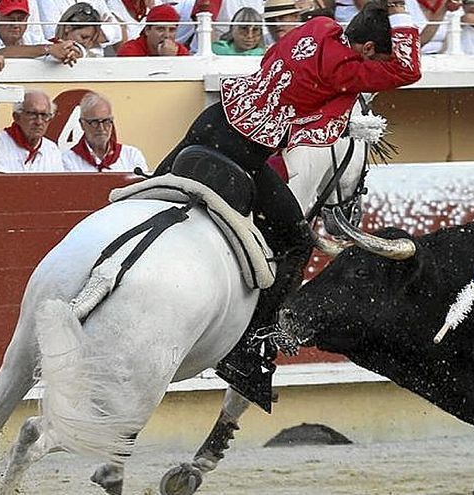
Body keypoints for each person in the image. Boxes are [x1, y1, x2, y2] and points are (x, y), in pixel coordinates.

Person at [152, 0, 421, 404]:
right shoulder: (346, 70)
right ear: (367, 51)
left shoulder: (319, 25)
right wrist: (400, 12)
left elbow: (299, 85)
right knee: (297, 243)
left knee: (151, 196)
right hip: (243, 153)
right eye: (376, 57)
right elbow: (408, 68)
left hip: (210, 121)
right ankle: (250, 350)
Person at [0, 0, 81, 65]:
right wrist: (49, 49)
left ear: (27, 20)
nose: (15, 24)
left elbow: (61, 49)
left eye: (20, 19)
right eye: (10, 18)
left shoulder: (32, 38)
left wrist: (69, 52)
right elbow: (1, 52)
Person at [62, 92, 148, 172]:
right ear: (82, 124)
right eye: (94, 122)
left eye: (106, 121)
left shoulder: (131, 156)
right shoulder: (68, 160)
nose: (101, 128)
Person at [0, 89, 64, 172]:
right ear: (17, 117)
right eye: (32, 114)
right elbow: (0, 182)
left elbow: (58, 184)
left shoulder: (52, 149)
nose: (39, 122)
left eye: (44, 115)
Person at [38, 0, 123, 51]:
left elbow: (117, 33)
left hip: (95, 61)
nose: (88, 43)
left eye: (91, 38)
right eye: (84, 37)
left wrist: (89, 32)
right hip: (63, 59)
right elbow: (54, 33)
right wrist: (96, 28)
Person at [116, 4, 191, 56]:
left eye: (172, 30)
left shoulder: (180, 51)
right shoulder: (130, 50)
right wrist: (166, 60)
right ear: (147, 30)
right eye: (160, 29)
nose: (166, 35)